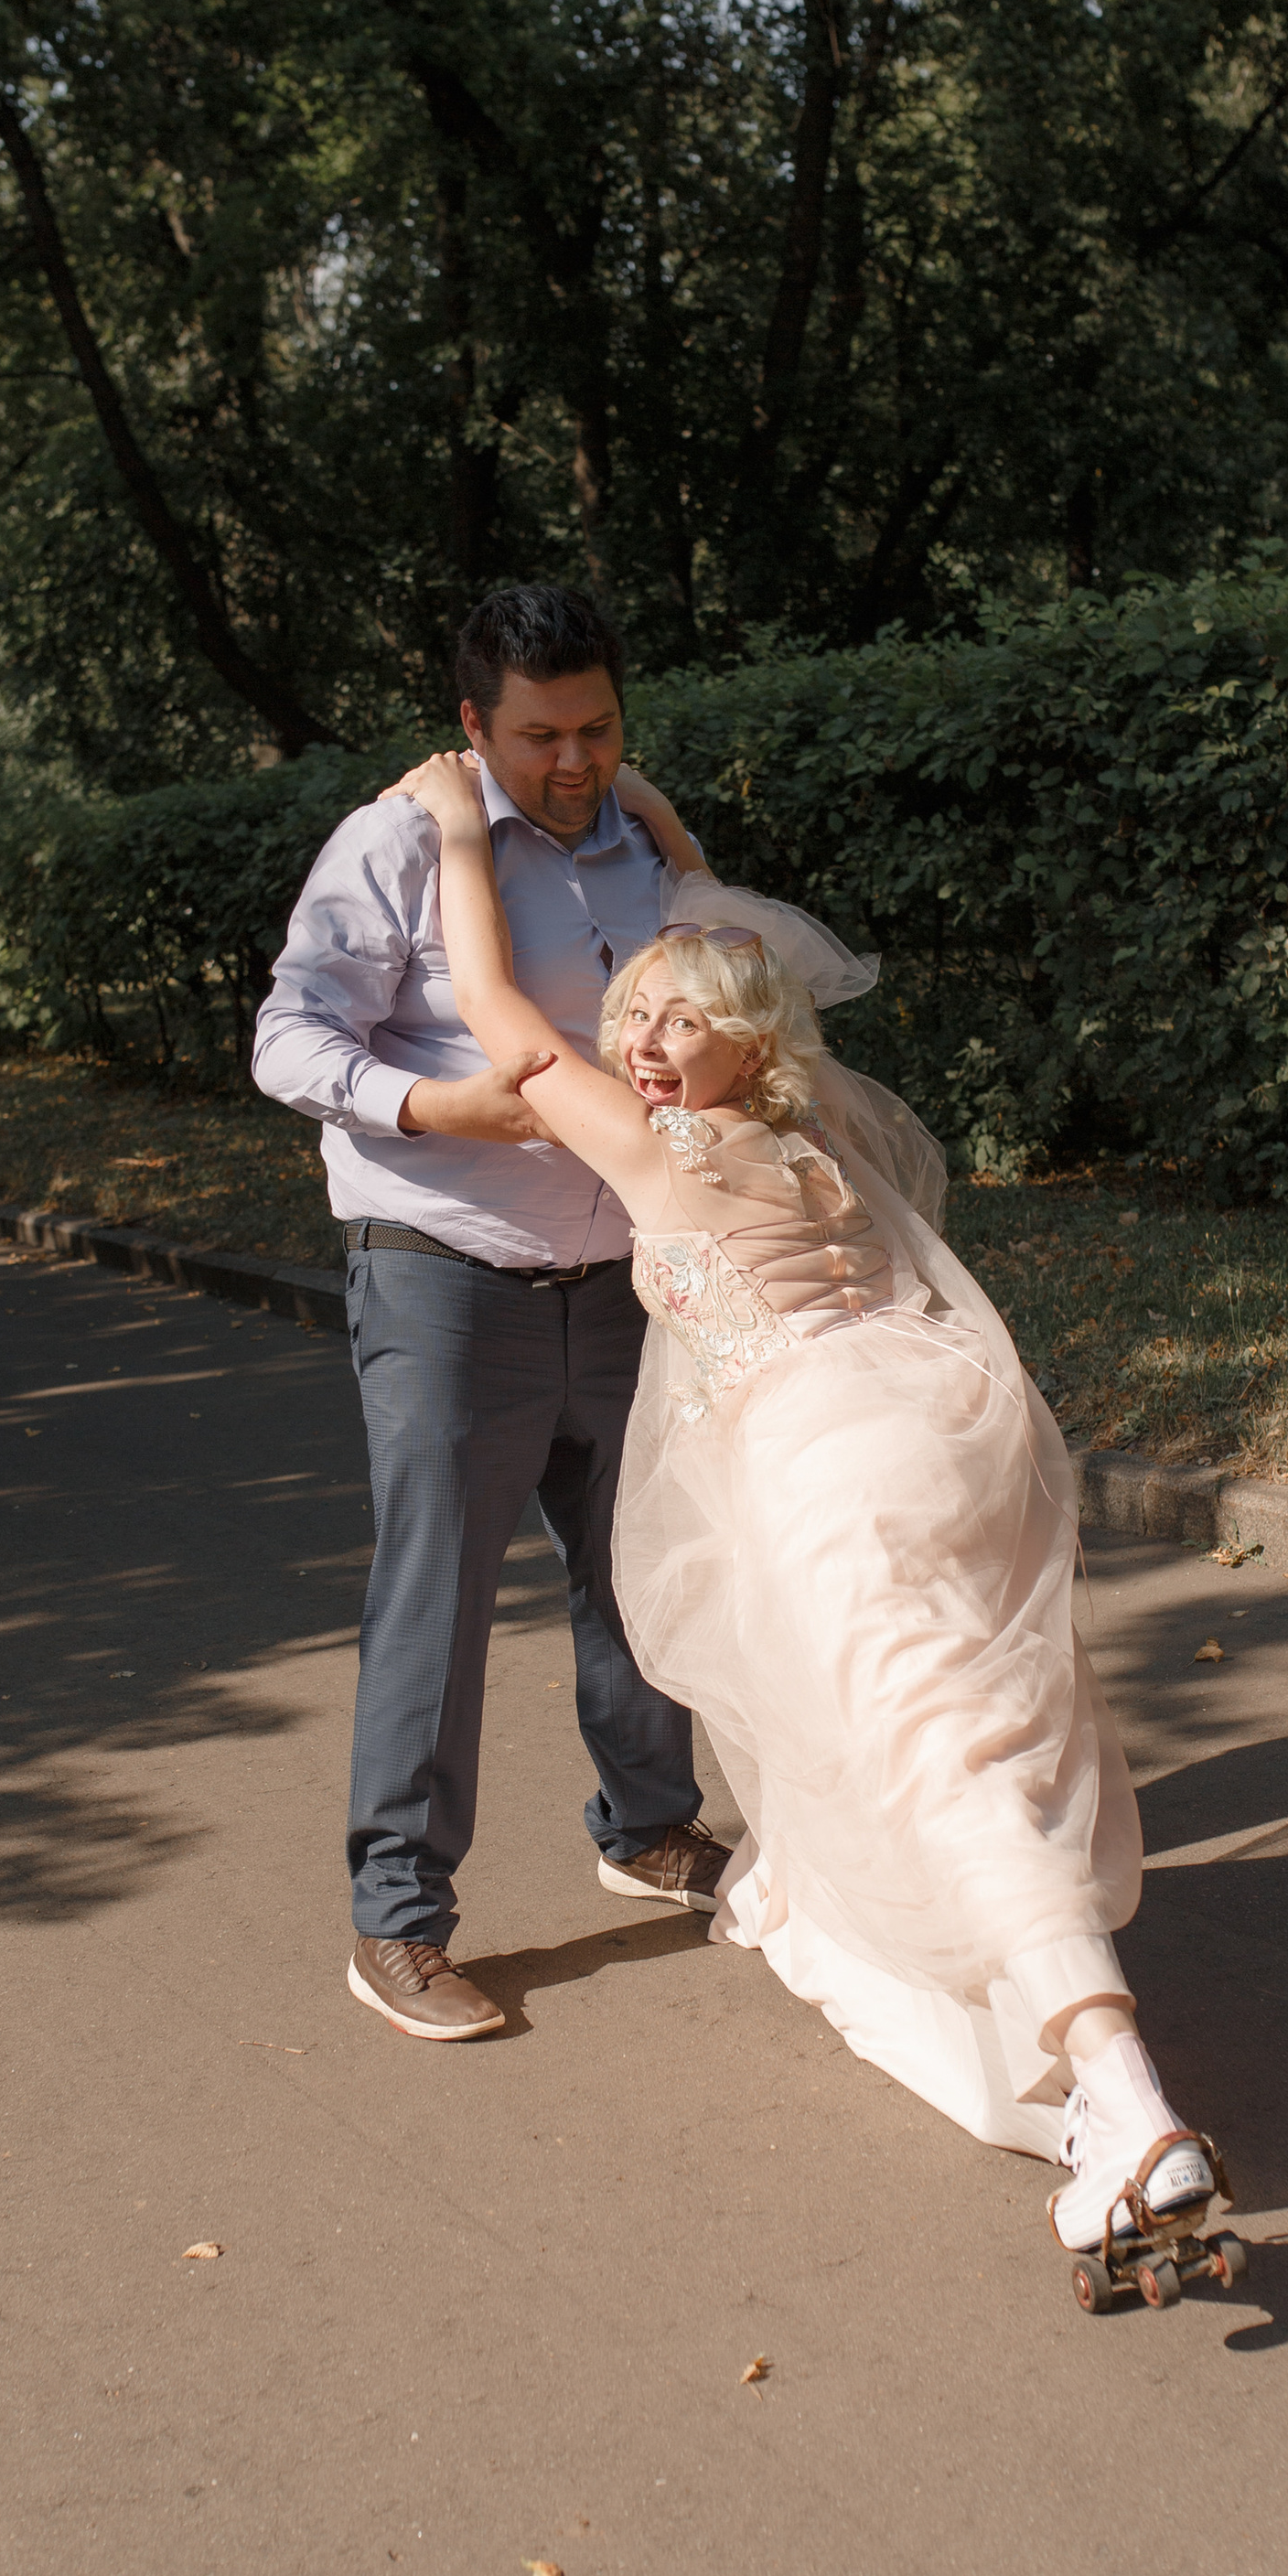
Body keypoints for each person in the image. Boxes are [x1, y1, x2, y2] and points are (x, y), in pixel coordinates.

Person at [393, 741, 1232, 2263]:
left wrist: (460, 834)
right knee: (955, 1724)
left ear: (744, 1046)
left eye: (684, 1022)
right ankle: (1096, 2065)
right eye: (636, 1011)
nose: (646, 1042)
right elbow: (716, 961)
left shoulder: (663, 1150)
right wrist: (664, 831)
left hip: (830, 1466)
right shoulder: (817, 1134)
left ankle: (1122, 2092)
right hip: (940, 1435)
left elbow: (508, 1024)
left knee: (932, 1744)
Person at [252, 581, 873, 2045]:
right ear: (474, 726)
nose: (575, 762)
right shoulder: (402, 839)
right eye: (540, 737)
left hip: (637, 1275)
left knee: (644, 1559)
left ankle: (651, 1824)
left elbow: (728, 1000)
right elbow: (289, 1032)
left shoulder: (643, 841)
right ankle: (398, 1920)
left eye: (598, 727)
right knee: (439, 1591)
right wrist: (425, 1102)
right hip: (447, 1266)